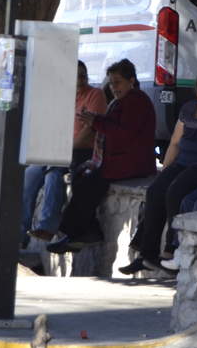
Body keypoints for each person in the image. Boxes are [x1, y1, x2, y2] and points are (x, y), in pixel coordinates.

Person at [118, 71, 197, 274]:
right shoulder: (188, 111)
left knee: (175, 192)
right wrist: (164, 171)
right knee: (155, 191)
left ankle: (171, 250)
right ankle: (147, 255)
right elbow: (175, 143)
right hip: (183, 162)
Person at [48, 59, 156, 252]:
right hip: (117, 158)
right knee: (80, 175)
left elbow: (124, 133)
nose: (114, 87)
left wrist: (96, 122)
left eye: (118, 82)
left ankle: (72, 233)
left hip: (131, 162)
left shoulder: (136, 101)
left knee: (90, 182)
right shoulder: (121, 101)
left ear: (131, 81)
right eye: (112, 83)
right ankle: (87, 230)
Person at [22, 61, 107, 243]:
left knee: (53, 172)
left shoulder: (95, 95)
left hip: (83, 151)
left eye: (83, 75)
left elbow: (89, 131)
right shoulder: (65, 97)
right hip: (60, 150)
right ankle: (21, 233)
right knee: (31, 173)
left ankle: (47, 226)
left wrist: (63, 150)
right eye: (76, 76)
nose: (81, 79)